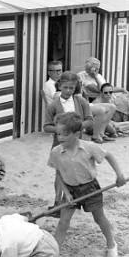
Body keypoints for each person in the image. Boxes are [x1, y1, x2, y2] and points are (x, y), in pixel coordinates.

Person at [47, 112, 126, 257]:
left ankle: (111, 244)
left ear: (77, 134)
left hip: (90, 188)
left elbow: (109, 156)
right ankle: (54, 255)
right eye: (58, 134)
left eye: (64, 134)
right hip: (70, 190)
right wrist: (66, 193)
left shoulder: (89, 147)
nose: (60, 138)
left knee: (99, 218)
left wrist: (119, 175)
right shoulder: (56, 152)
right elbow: (58, 172)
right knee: (63, 222)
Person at [43, 71, 93, 212]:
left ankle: (69, 200)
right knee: (60, 173)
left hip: (78, 144)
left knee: (75, 172)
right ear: (60, 86)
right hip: (60, 145)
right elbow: (46, 127)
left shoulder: (81, 101)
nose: (68, 91)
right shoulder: (53, 105)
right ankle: (57, 202)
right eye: (65, 87)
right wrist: (62, 131)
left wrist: (77, 127)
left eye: (71, 88)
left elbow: (90, 120)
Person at [78, 57, 129, 131]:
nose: (98, 70)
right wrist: (95, 77)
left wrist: (122, 89)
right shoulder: (83, 77)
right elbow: (100, 90)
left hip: (110, 96)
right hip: (101, 100)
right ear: (91, 68)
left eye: (98, 68)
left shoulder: (99, 75)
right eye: (96, 68)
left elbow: (108, 87)